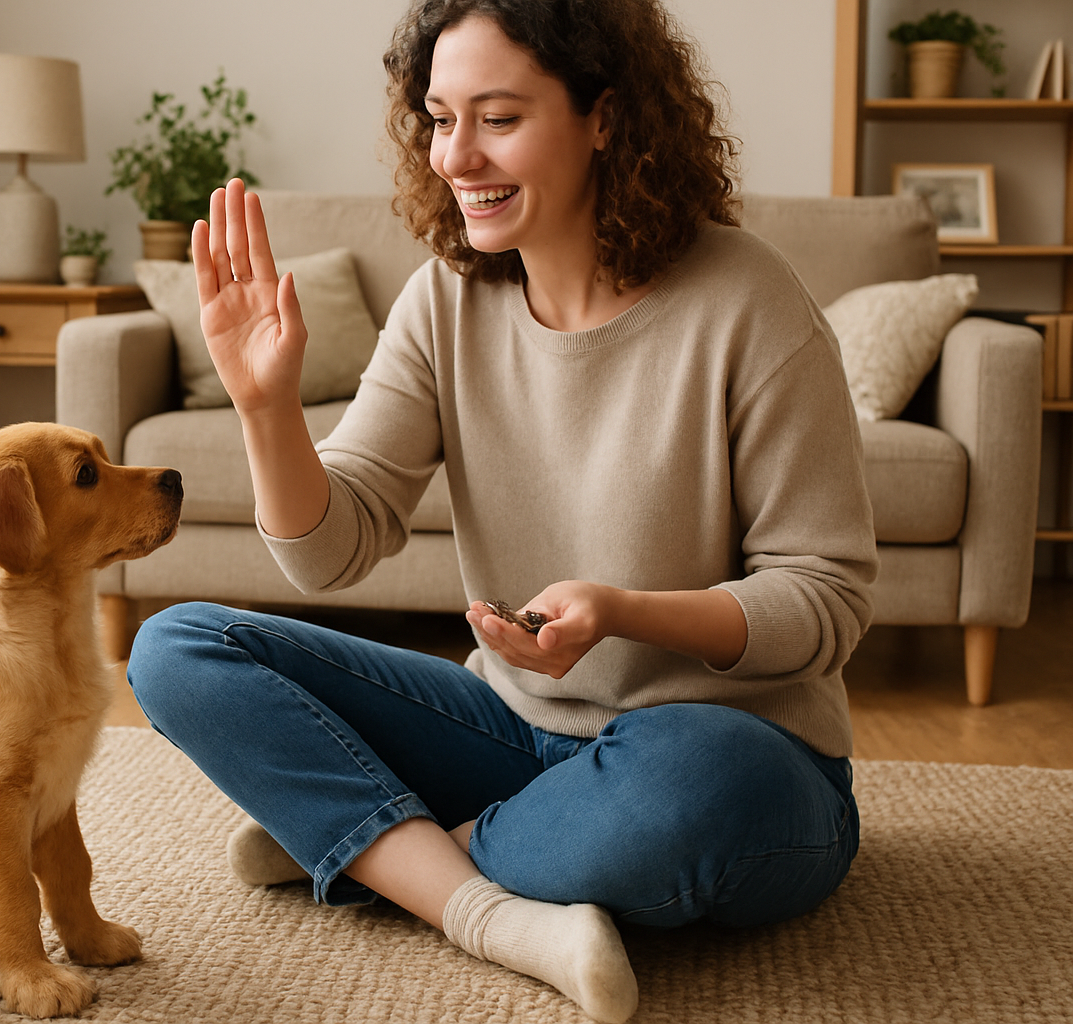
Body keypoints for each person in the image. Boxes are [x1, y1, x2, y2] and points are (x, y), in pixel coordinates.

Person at [127, 1, 876, 1020]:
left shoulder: (749, 302)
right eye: (439, 118)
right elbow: (330, 549)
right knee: (179, 647)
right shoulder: (446, 301)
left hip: (735, 748)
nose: (456, 156)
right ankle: (477, 894)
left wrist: (622, 610)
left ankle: (380, 854)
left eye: (498, 118)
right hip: (516, 730)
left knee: (704, 783)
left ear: (605, 118)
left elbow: (825, 599)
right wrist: (266, 407)